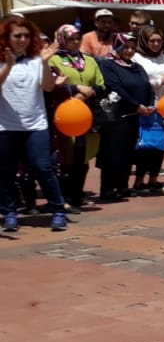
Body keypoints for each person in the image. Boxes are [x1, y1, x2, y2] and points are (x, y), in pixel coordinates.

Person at [0, 17, 67, 232]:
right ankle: (9, 213)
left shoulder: (37, 60)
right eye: (17, 36)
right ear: (6, 38)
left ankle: (58, 210)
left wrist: (46, 62)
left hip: (36, 125)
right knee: (5, 172)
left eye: (26, 36)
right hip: (5, 127)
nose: (22, 40)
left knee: (43, 167)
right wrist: (9, 66)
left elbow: (48, 87)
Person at [49, 24, 106, 211]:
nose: (75, 42)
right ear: (62, 39)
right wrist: (74, 89)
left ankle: (77, 195)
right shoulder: (54, 60)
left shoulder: (89, 60)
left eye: (78, 38)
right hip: (65, 115)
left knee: (82, 157)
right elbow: (51, 84)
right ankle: (64, 198)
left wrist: (86, 94)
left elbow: (101, 85)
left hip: (86, 116)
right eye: (71, 38)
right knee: (66, 158)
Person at [97, 32, 155, 205]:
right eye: (125, 47)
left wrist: (150, 104)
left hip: (136, 117)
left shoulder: (136, 67)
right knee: (113, 153)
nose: (129, 51)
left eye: (132, 48)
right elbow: (115, 87)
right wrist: (136, 104)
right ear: (118, 46)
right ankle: (108, 189)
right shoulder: (108, 65)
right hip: (117, 116)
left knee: (128, 153)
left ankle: (122, 186)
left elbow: (148, 86)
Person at [130, 27, 164, 195]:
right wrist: (160, 80)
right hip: (145, 108)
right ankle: (139, 181)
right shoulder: (137, 58)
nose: (156, 44)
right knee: (145, 146)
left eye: (159, 40)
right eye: (152, 41)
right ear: (144, 41)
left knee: (159, 145)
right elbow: (137, 83)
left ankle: (153, 179)